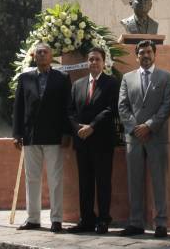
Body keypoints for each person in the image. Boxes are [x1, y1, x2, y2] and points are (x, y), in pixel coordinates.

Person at [13, 42, 72, 233]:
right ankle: (33, 219)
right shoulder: (25, 78)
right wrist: (17, 134)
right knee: (32, 179)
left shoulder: (62, 78)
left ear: (51, 55)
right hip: (31, 136)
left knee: (55, 179)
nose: (42, 55)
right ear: (34, 56)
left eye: (45, 52)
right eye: (39, 52)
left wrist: (66, 132)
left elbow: (67, 108)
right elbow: (19, 107)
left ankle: (56, 219)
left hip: (54, 136)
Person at [117, 39, 170, 237]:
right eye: (142, 53)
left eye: (149, 52)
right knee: (134, 181)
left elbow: (167, 105)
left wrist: (149, 125)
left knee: (159, 181)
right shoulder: (127, 78)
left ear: (154, 54)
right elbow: (122, 106)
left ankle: (161, 223)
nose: (146, 55)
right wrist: (135, 127)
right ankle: (136, 222)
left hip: (157, 136)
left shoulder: (166, 76)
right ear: (137, 56)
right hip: (134, 138)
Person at [67, 47, 120, 235]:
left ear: (104, 62)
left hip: (102, 141)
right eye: (91, 59)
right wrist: (78, 128)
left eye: (97, 59)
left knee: (103, 182)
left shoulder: (111, 83)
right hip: (82, 141)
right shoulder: (77, 84)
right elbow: (70, 111)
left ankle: (103, 219)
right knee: (85, 182)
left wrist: (92, 127)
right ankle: (86, 220)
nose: (94, 62)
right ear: (87, 62)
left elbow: (111, 109)